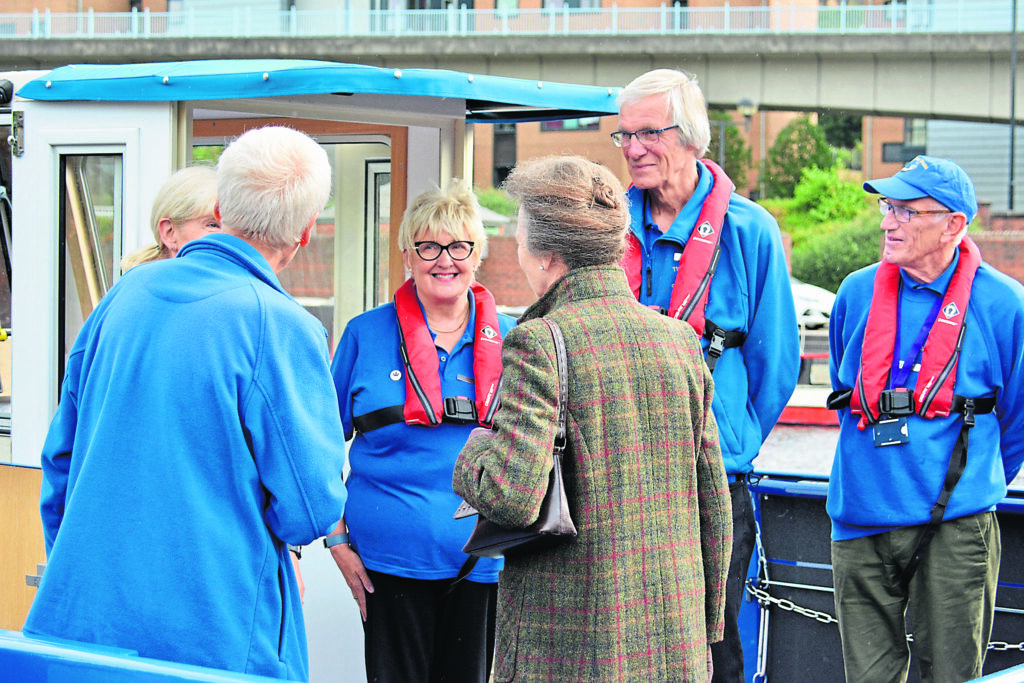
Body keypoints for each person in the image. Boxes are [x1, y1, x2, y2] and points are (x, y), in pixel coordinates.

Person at [23, 126, 347, 682]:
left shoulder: (125, 294)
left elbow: (60, 460)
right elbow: (310, 508)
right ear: (306, 231)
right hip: (212, 637)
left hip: (83, 624)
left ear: (221, 208)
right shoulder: (282, 326)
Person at [453, 154, 732, 682]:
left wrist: (473, 456)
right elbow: (713, 501)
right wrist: (706, 629)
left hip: (568, 643)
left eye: (519, 237)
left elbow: (512, 497)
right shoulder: (678, 340)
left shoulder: (539, 342)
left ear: (546, 252)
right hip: (674, 638)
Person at [613, 68, 800, 681]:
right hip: (622, 475)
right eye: (624, 136)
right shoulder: (610, 227)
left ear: (692, 137)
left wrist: (732, 440)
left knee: (713, 643)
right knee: (630, 641)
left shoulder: (749, 231)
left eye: (649, 133)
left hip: (713, 479)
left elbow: (777, 365)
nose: (634, 148)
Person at [827, 155, 1024, 682]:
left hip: (954, 529)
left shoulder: (1005, 305)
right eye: (888, 207)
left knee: (953, 677)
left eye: (908, 211)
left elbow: (1017, 421)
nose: (888, 221)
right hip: (858, 521)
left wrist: (972, 488)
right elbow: (846, 391)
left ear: (955, 224)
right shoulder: (855, 292)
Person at [327, 179, 515, 683]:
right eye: (428, 246)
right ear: (407, 255)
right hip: (387, 564)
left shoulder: (516, 339)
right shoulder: (365, 334)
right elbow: (320, 443)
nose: (444, 260)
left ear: (478, 254)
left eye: (459, 246)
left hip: (483, 562)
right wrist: (335, 539)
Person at [120, 165, 220, 271]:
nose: (228, 236)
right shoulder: (140, 285)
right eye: (212, 225)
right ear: (169, 232)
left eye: (233, 227)